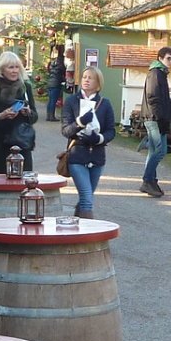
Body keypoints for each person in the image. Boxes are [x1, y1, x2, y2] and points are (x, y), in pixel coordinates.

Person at [61, 66, 115, 219]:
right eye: (84, 77)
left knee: (87, 196)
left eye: (90, 78)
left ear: (98, 83)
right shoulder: (72, 101)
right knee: (86, 197)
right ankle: (89, 236)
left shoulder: (105, 104)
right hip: (77, 155)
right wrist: (79, 123)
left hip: (97, 157)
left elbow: (111, 131)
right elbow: (66, 131)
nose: (86, 80)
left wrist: (99, 139)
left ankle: (76, 227)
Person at [0, 50, 39, 174]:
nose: (15, 71)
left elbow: (34, 116)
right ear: (1, 69)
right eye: (11, 67)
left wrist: (28, 113)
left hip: (21, 145)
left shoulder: (25, 88)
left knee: (20, 185)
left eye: (17, 67)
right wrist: (2, 115)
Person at [139, 47, 171, 197]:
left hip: (158, 118)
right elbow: (153, 97)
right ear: (160, 58)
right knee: (160, 151)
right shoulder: (155, 73)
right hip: (153, 118)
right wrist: (160, 117)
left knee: (155, 151)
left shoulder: (161, 73)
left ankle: (152, 180)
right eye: (169, 58)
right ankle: (147, 181)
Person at [45, 47, 67, 119]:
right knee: (53, 101)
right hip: (56, 83)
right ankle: (52, 116)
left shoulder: (51, 62)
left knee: (50, 100)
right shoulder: (61, 62)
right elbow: (63, 71)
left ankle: (48, 116)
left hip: (50, 82)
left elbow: (49, 70)